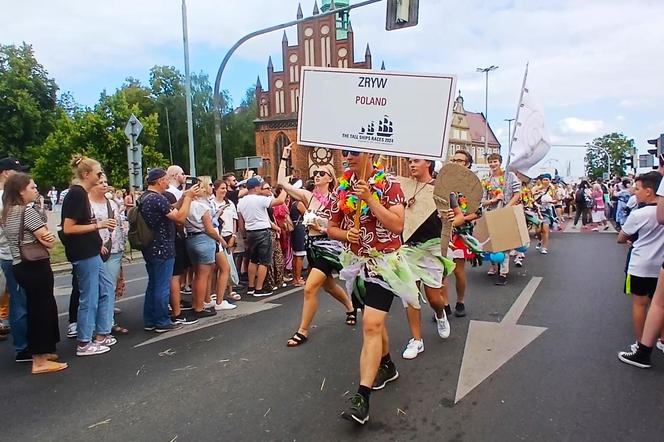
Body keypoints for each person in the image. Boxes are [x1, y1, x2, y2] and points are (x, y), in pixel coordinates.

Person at [328, 150, 419, 425]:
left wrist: (369, 199)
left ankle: (362, 399)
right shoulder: (341, 188)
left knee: (370, 324)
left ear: (370, 154)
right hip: (357, 265)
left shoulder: (389, 185)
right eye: (345, 152)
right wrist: (346, 233)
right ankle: (387, 364)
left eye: (354, 152)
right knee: (376, 324)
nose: (348, 157)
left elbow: (397, 225)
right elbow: (330, 227)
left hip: (384, 264)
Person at [279, 145, 354, 347]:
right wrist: (285, 158)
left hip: (329, 248)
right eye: (316, 173)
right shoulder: (308, 196)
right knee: (328, 286)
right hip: (312, 246)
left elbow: (343, 224)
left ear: (330, 178)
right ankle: (350, 306)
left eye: (322, 173)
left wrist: (322, 228)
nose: (317, 175)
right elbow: (281, 184)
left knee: (310, 288)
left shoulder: (338, 199)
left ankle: (302, 330)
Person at [2, 173, 67, 373]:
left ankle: (41, 352)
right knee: (41, 311)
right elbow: (48, 241)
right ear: (21, 191)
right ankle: (39, 360)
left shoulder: (7, 213)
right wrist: (45, 238)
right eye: (32, 187)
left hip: (19, 264)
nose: (35, 189)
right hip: (35, 265)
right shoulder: (27, 212)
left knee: (34, 309)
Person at [399, 158, 460, 360]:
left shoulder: (441, 188)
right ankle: (416, 340)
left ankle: (440, 314)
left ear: (428, 164)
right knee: (410, 296)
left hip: (432, 248)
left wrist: (452, 218)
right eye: (409, 161)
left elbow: (459, 216)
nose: (411, 165)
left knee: (435, 298)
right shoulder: (403, 187)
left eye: (416, 161)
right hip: (407, 248)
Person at [61, 155, 117, 356]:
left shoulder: (80, 194)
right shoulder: (76, 194)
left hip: (91, 250)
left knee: (106, 288)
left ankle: (102, 333)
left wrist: (97, 241)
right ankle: (84, 342)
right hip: (83, 253)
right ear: (86, 175)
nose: (101, 176)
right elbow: (68, 227)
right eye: (98, 172)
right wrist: (98, 226)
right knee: (90, 296)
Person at [139, 168, 202, 332]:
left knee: (153, 284)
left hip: (151, 248)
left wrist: (183, 198)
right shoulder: (157, 199)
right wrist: (188, 198)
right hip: (163, 248)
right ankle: (161, 321)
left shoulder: (147, 197)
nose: (168, 182)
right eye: (166, 179)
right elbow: (180, 217)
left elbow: (170, 208)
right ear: (160, 181)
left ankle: (150, 319)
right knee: (162, 286)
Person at [616, 172, 664, 361]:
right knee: (660, 305)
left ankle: (640, 343)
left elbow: (621, 238)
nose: (634, 193)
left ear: (649, 191)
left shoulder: (639, 214)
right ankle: (662, 340)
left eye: (637, 189)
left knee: (640, 304)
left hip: (640, 266)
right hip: (660, 266)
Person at [185, 176, 232, 316]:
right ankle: (200, 307)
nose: (212, 187)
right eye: (210, 185)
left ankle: (198, 303)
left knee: (198, 274)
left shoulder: (189, 204)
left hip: (191, 238)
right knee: (203, 275)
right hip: (204, 239)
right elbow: (209, 228)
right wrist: (221, 240)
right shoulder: (201, 206)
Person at [89, 174, 127, 335]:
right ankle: (94, 325)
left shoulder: (111, 203)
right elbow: (86, 227)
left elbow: (119, 223)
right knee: (95, 289)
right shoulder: (87, 203)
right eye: (100, 183)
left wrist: (124, 231)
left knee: (109, 287)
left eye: (106, 182)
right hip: (97, 249)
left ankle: (107, 322)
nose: (104, 185)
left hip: (115, 248)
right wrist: (96, 244)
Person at [236, 176, 287, 297]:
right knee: (264, 261)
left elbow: (241, 221)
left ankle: (251, 287)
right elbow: (279, 201)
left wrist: (244, 236)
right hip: (263, 231)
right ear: (256, 187)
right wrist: (285, 189)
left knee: (253, 260)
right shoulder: (259, 199)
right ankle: (259, 289)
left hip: (250, 232)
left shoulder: (241, 202)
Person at [0, 158, 30, 362]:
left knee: (20, 302)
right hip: (11, 256)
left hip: (13, 255)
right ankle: (23, 347)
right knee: (19, 303)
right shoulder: (5, 200)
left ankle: (26, 343)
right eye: (16, 172)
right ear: (4, 173)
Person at [448, 150, 482, 316]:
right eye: (453, 159)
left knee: (457, 271)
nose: (455, 162)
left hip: (462, 233)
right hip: (443, 232)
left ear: (468, 164)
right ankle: (443, 305)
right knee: (440, 270)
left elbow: (477, 212)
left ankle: (460, 301)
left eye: (460, 160)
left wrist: (461, 219)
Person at [480, 153, 522, 285]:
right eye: (491, 162)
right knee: (492, 243)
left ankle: (503, 273)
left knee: (505, 244)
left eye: (495, 161)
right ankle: (494, 266)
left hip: (506, 213)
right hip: (491, 214)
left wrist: (507, 207)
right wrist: (493, 200)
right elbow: (482, 200)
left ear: (500, 162)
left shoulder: (510, 176)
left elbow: (517, 194)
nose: (493, 164)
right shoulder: (487, 180)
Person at [212, 179, 241, 303]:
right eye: (222, 188)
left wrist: (234, 235)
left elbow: (235, 220)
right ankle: (214, 292)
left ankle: (230, 290)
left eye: (225, 188)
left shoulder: (230, 203)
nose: (224, 191)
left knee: (229, 264)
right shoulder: (211, 203)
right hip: (218, 236)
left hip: (229, 235)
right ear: (215, 189)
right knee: (215, 267)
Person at [532, 174, 557, 254]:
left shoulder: (552, 189)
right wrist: (539, 191)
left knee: (545, 229)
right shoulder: (537, 187)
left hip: (547, 211)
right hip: (537, 210)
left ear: (550, 180)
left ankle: (544, 248)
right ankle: (540, 240)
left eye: (547, 180)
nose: (545, 181)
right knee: (538, 230)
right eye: (544, 180)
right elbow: (531, 195)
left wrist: (551, 201)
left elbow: (555, 199)